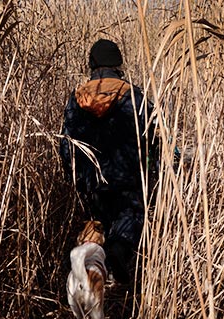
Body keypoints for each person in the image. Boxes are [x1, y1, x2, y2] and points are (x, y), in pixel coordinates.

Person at [59, 39, 158, 284]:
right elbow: (154, 134)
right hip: (128, 177)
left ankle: (85, 273)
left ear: (91, 64)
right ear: (118, 63)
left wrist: (76, 176)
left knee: (95, 221)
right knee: (131, 214)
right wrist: (153, 169)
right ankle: (118, 253)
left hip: (91, 179)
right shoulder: (133, 96)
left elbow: (66, 143)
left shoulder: (77, 97)